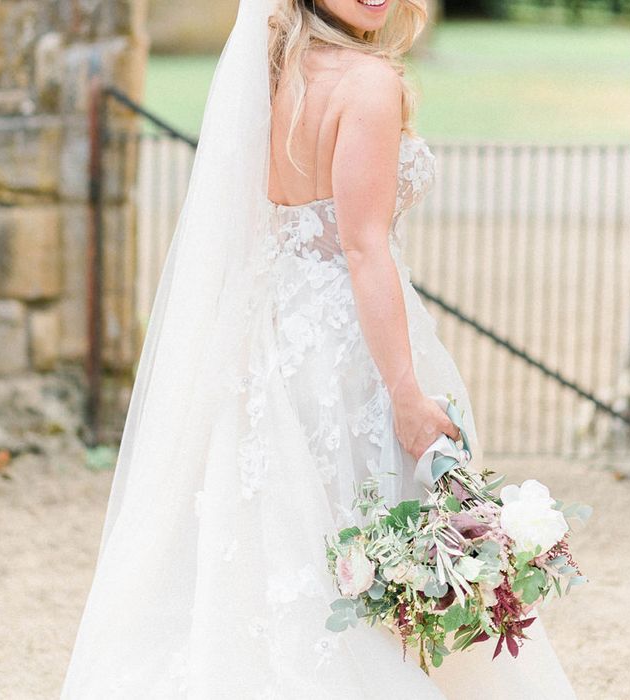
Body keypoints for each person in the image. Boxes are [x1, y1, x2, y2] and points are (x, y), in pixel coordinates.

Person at [61, 0, 578, 697]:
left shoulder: (269, 75)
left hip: (267, 338)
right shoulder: (368, 83)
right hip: (348, 348)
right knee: (367, 534)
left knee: (285, 541)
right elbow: (365, 250)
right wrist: (406, 395)